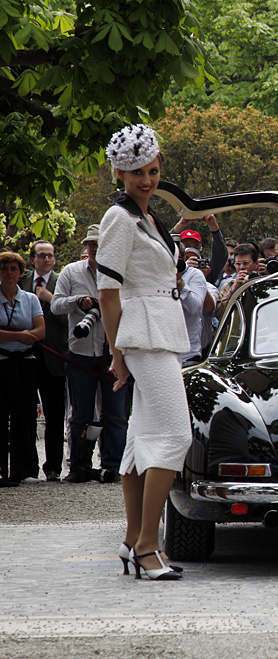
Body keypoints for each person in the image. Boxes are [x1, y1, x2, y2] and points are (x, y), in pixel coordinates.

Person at [97, 124, 190, 580]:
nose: (146, 180)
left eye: (151, 171)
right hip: (142, 334)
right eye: (135, 173)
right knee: (177, 436)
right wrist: (117, 354)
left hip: (160, 332)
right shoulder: (118, 217)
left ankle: (133, 540)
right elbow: (107, 292)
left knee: (140, 441)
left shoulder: (148, 217)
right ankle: (150, 546)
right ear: (118, 172)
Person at [52, 225, 130, 483]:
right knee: (80, 415)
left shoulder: (122, 273)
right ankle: (79, 465)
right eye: (91, 244)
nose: (95, 249)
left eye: (99, 244)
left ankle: (112, 466)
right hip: (81, 353)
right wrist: (79, 301)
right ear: (86, 247)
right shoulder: (71, 271)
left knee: (116, 414)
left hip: (113, 354)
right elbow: (55, 305)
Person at [20, 239, 67, 481]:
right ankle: (28, 467)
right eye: (41, 255)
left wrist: (50, 299)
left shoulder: (63, 282)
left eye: (50, 255)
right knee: (26, 411)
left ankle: (53, 468)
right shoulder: (21, 281)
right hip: (24, 354)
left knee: (55, 414)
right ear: (32, 259)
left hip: (54, 356)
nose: (46, 259)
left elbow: (71, 321)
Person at [0, 251, 45, 487]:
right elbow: (28, 333)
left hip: (25, 363)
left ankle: (24, 469)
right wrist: (20, 335)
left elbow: (40, 330)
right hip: (1, 363)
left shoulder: (30, 299)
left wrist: (14, 337)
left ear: (20, 273)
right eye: (4, 268)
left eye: (13, 269)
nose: (9, 273)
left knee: (24, 415)